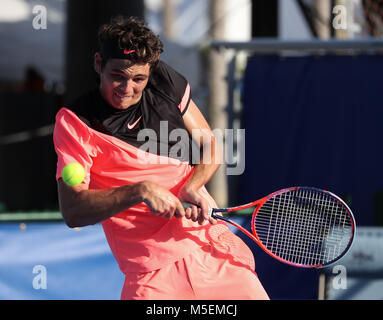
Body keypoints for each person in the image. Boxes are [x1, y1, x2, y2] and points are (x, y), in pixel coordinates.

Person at [53, 15, 269, 300]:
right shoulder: (75, 122)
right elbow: (72, 211)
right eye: (117, 75)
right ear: (98, 64)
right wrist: (141, 191)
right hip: (151, 277)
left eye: (138, 79)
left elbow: (210, 144)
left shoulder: (165, 82)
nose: (127, 88)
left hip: (213, 252)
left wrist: (192, 185)